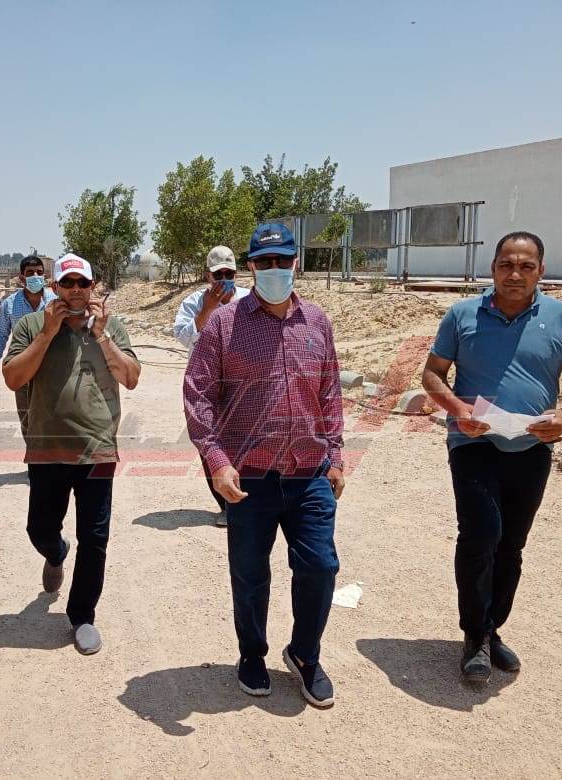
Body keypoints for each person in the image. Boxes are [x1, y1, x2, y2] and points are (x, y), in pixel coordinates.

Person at [421, 231, 562, 684]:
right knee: (481, 533)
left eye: (525, 266)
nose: (515, 274)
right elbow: (433, 374)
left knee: (512, 543)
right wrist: (457, 410)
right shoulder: (462, 315)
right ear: (493, 268)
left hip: (532, 446)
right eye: (506, 265)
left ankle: (491, 629)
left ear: (541, 270)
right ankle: (474, 635)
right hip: (473, 441)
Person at [183, 223, 345, 708]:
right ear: (251, 266)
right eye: (264, 262)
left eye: (282, 261)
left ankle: (305, 654)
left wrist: (336, 455)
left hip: (309, 473)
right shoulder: (224, 325)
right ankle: (252, 653)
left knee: (320, 566)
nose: (275, 269)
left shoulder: (317, 322)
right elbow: (198, 394)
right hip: (249, 478)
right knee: (250, 575)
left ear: (296, 262)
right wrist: (216, 460)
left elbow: (330, 393)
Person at [2, 253, 140, 655]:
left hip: (97, 450)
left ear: (93, 287)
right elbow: (12, 377)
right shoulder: (31, 325)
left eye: (83, 283)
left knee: (94, 538)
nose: (76, 291)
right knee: (39, 529)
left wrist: (103, 335)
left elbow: (130, 378)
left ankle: (82, 616)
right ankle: (56, 552)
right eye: (68, 284)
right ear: (55, 288)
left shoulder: (111, 326)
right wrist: (47, 333)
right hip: (47, 449)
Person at [173, 245, 251, 526]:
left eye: (229, 274)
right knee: (208, 443)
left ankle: (246, 502)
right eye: (219, 275)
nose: (224, 280)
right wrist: (206, 310)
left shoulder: (249, 299)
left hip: (241, 382)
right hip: (206, 385)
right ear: (208, 275)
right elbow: (183, 338)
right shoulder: (194, 302)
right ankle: (226, 505)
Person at [0, 254, 56, 434]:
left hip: (52, 368)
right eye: (30, 273)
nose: (35, 276)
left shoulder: (56, 301)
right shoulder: (9, 305)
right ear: (22, 277)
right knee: (28, 422)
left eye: (39, 272)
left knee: (55, 420)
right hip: (23, 369)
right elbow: (0, 334)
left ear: (45, 275)